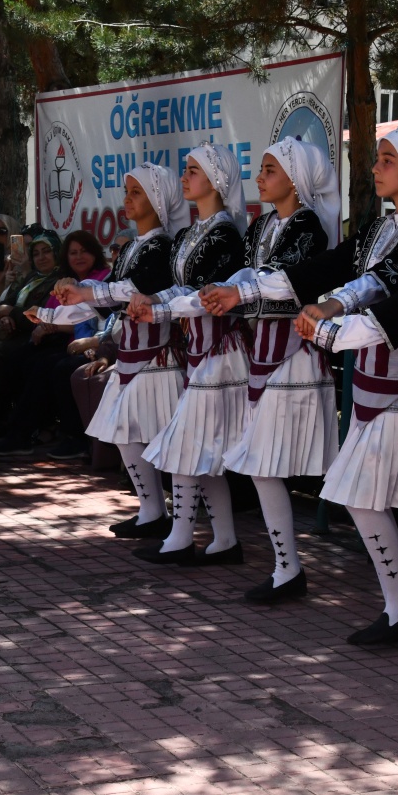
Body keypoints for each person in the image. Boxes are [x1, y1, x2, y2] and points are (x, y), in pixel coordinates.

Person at [289, 127, 398, 641]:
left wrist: (333, 305)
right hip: (371, 375)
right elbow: (339, 264)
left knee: (368, 493)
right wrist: (260, 288)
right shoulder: (378, 228)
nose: (375, 167)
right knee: (360, 494)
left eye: (388, 159)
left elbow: (384, 280)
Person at [198, 139, 338, 602]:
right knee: (264, 467)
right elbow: (246, 274)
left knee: (266, 465)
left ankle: (289, 567)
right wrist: (224, 289)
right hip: (263, 352)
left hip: (293, 355)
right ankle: (286, 566)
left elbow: (283, 280)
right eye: (260, 170)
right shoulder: (261, 226)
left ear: (295, 179)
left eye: (270, 170)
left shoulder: (309, 226)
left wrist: (236, 293)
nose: (259, 178)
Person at [48, 165, 187, 535]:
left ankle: (180, 520)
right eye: (127, 191)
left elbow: (134, 289)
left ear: (157, 199)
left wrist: (86, 291)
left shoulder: (162, 246)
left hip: (157, 355)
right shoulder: (133, 248)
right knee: (126, 433)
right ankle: (151, 510)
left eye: (136, 192)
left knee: (168, 439)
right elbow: (110, 294)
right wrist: (60, 304)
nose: (127, 199)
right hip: (131, 354)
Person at [135, 144, 249, 565]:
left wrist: (158, 306)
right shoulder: (188, 235)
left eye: (193, 171)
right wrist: (154, 299)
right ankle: (225, 540)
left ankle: (181, 536)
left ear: (216, 181)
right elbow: (178, 288)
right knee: (203, 449)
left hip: (222, 350)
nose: (184, 177)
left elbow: (203, 295)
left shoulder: (225, 235)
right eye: (185, 171)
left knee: (185, 443)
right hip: (199, 350)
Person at [0, 229, 111, 458]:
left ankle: (71, 438)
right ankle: (22, 431)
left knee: (53, 367)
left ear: (95, 253)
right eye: (73, 252)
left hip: (97, 343)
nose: (78, 257)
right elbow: (55, 314)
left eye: (84, 251)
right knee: (24, 360)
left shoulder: (103, 279)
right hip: (68, 341)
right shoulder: (66, 281)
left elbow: (87, 319)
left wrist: (51, 325)